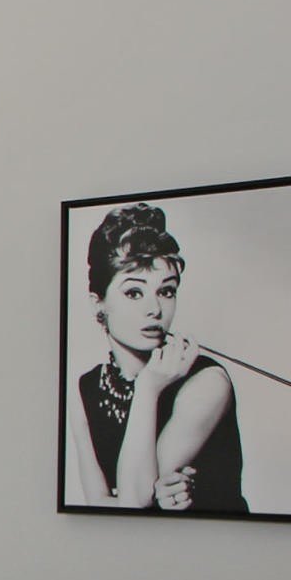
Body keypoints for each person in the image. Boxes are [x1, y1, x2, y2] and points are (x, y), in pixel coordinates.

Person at [71, 203, 245, 513]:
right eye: (134, 293)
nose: (155, 310)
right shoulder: (85, 388)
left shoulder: (208, 383)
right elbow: (99, 503)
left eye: (166, 291)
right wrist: (149, 495)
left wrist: (148, 386)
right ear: (98, 304)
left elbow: (133, 500)